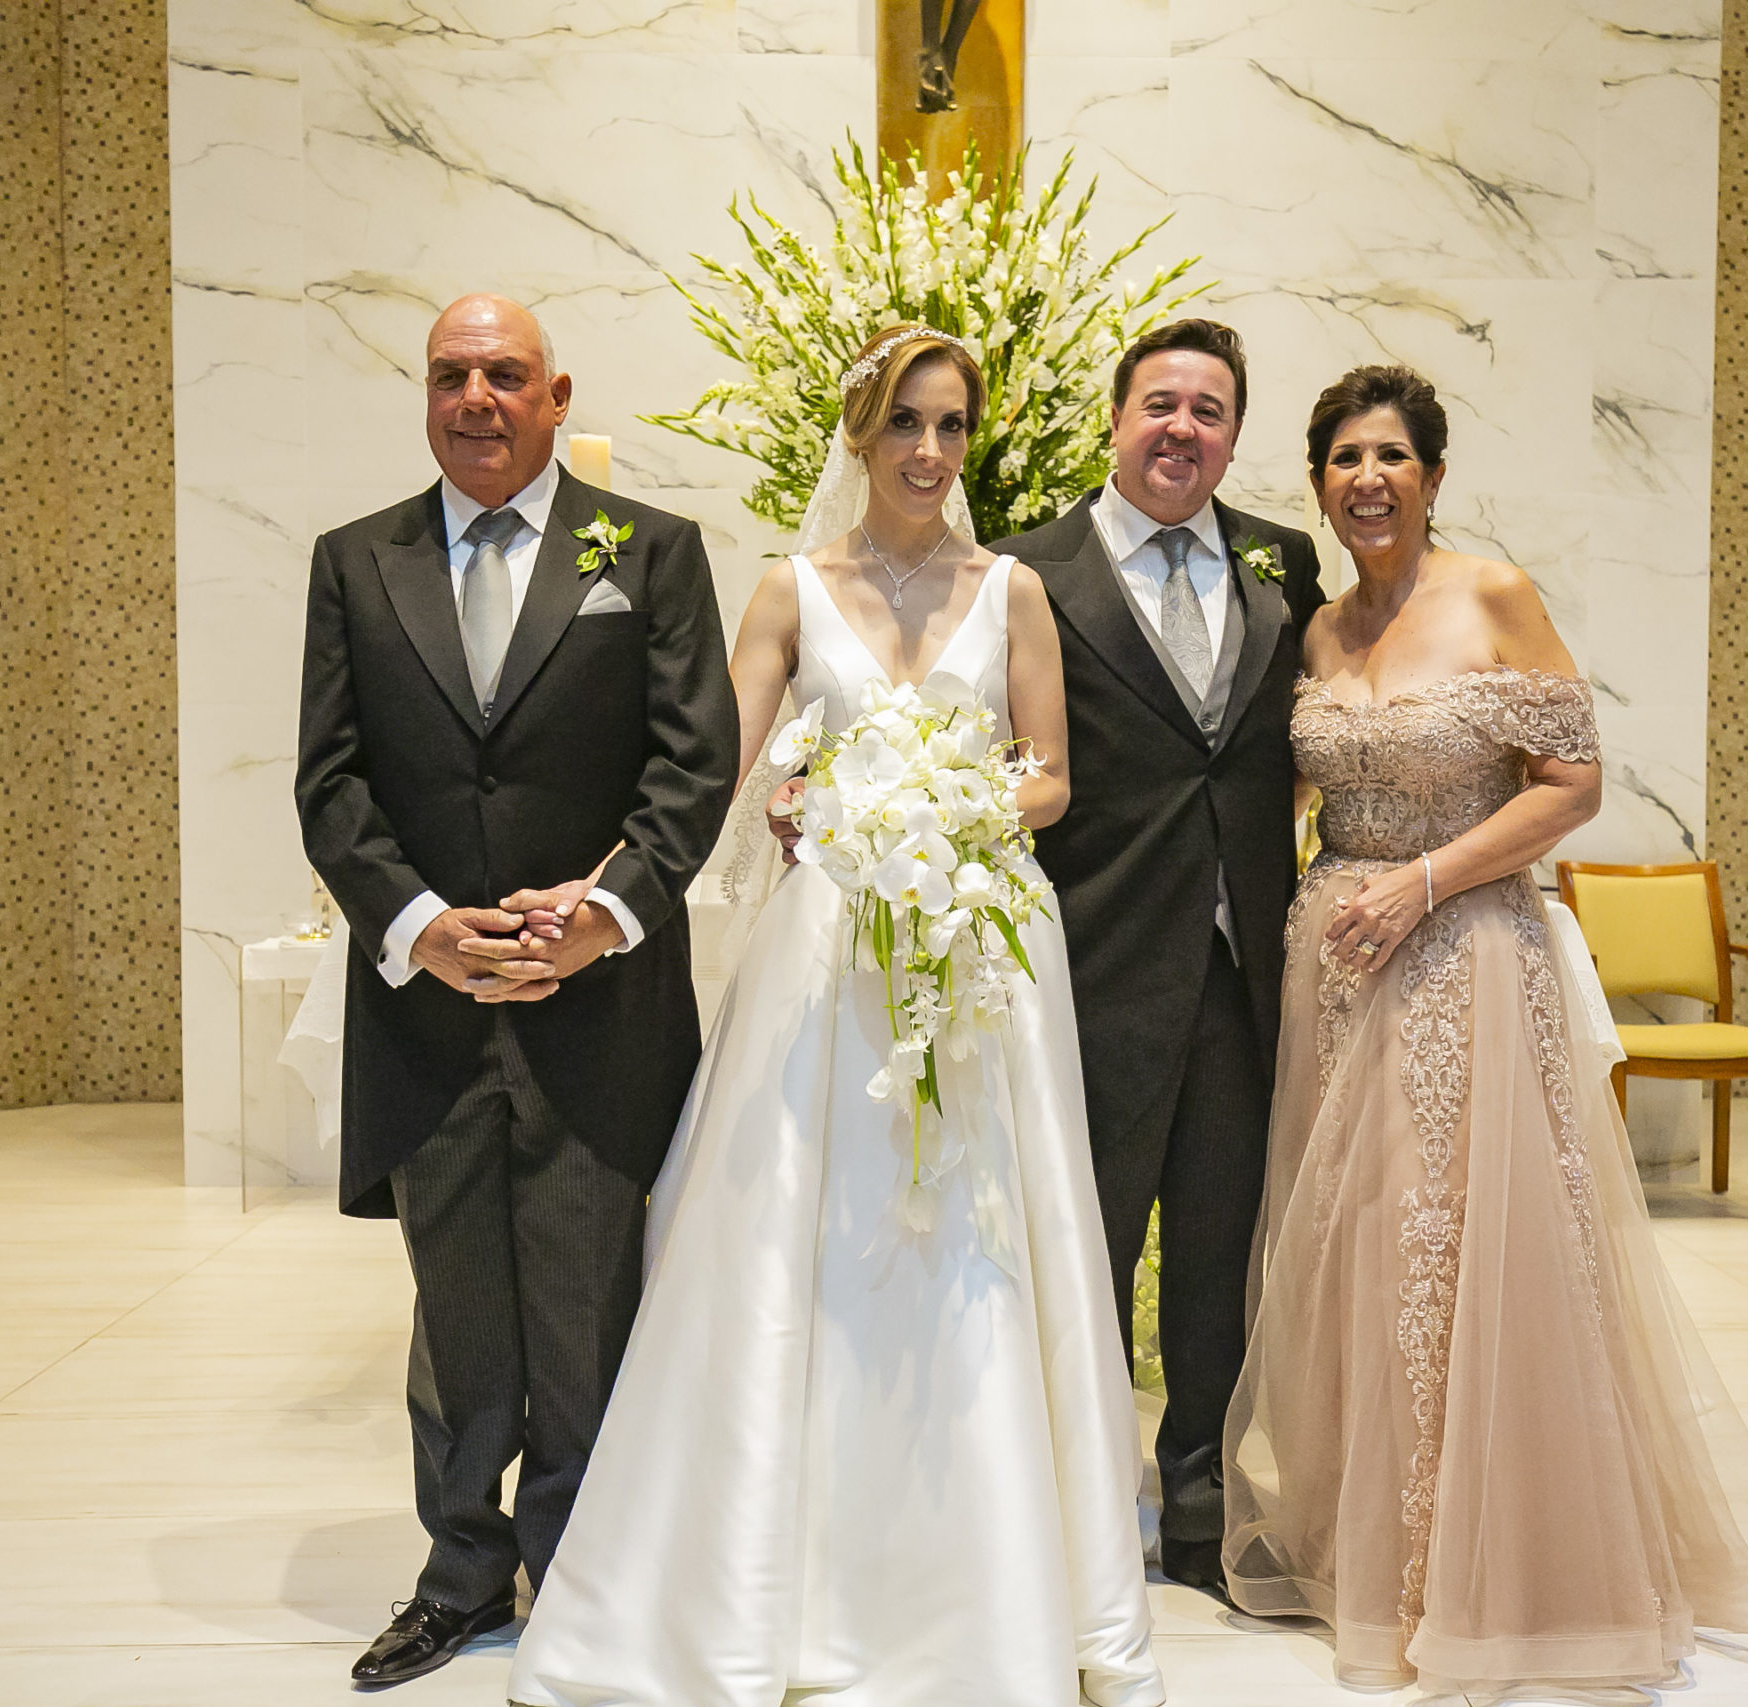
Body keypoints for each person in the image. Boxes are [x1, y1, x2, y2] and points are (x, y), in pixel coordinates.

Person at [506, 327, 1163, 1707]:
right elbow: (719, 775)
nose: (930, 452)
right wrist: (622, 886)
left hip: (981, 946)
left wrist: (956, 800)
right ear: (859, 434)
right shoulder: (788, 591)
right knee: (805, 1244)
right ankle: (771, 1580)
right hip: (829, 957)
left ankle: (991, 1581)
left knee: (984, 1241)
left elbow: (1050, 775)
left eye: (952, 426)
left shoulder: (1015, 591)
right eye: (906, 423)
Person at [1220, 363, 1748, 1693]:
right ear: (1316, 482)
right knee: (1353, 1249)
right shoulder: (1314, 633)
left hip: (1467, 960)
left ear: (1432, 475)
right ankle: (1362, 1534)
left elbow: (1575, 785)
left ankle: (1481, 1556)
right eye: (1341, 457)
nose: (1365, 477)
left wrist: (1430, 879)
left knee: (1463, 1248)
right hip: (1337, 963)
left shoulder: (1491, 595)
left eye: (1390, 454)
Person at [294, 295, 738, 1687]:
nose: (476, 397)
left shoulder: (651, 550)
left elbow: (692, 764)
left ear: (555, 393)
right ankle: (460, 1571)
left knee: (586, 1295)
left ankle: (586, 1564)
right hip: (429, 1001)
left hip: (596, 1002)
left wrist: (602, 916)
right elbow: (331, 778)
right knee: (459, 1303)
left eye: (504, 375)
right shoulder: (354, 561)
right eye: (450, 376)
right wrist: (420, 924)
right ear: (425, 398)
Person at [992, 319, 1325, 1596]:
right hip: (1085, 969)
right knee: (1078, 1250)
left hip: (1242, 973)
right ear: (1114, 418)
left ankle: (1200, 1508)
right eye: (1160, 404)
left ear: (1233, 435)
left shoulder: (1279, 561)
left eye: (1210, 410)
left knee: (1217, 1254)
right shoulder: (1028, 571)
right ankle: (1072, 1516)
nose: (1182, 428)